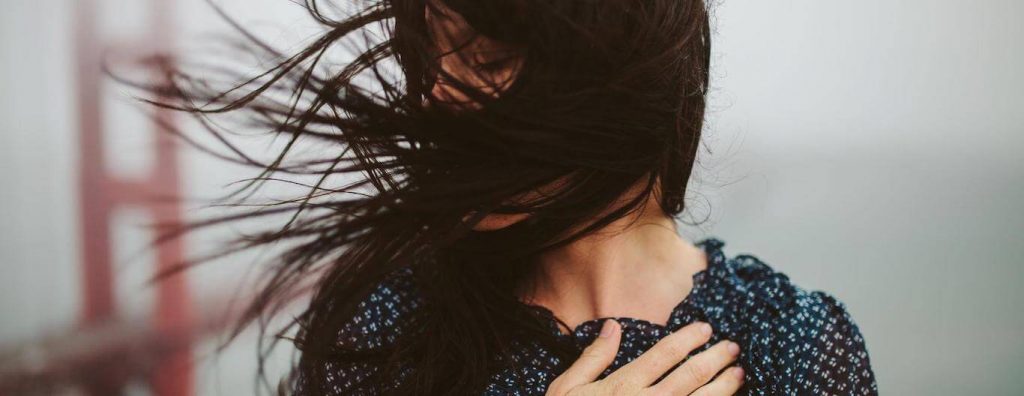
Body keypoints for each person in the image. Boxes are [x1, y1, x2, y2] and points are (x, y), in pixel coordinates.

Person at [136, 0, 877, 394]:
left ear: (621, 70)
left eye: (486, 59)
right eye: (432, 60)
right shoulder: (380, 329)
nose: (435, 96)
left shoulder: (799, 347)